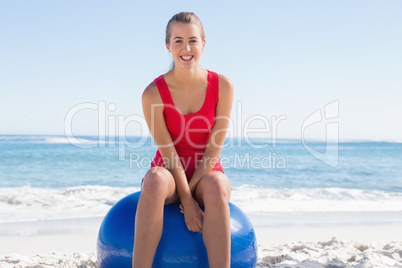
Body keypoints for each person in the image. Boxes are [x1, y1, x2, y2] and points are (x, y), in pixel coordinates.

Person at [133, 12, 234, 268]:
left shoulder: (222, 86)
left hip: (206, 174)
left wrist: (192, 192)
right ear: (168, 46)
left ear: (203, 43)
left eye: (192, 40)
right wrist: (186, 201)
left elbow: (214, 149)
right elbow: (168, 154)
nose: (186, 48)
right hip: (168, 174)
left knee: (217, 185)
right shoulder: (153, 93)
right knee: (154, 179)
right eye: (178, 41)